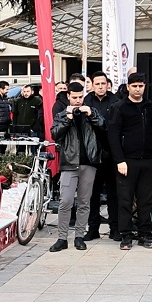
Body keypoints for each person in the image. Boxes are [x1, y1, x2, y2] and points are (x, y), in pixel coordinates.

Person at [49, 81, 103, 253]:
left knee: (84, 202)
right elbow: (55, 134)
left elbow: (104, 127)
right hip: (69, 162)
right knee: (65, 201)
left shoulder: (91, 111)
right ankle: (62, 238)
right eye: (75, 97)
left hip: (89, 162)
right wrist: (68, 118)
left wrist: (91, 114)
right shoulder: (61, 114)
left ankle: (79, 236)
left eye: (80, 97)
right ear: (68, 97)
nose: (78, 101)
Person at [108, 72, 152, 249]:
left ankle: (145, 235)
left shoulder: (151, 106)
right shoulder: (119, 107)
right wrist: (119, 160)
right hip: (127, 161)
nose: (138, 89)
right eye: (134, 86)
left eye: (141, 86)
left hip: (148, 160)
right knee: (125, 200)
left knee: (146, 200)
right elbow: (113, 136)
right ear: (128, 87)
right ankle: (126, 236)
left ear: (145, 86)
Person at [83, 72, 119, 242]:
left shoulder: (115, 101)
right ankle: (93, 228)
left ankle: (115, 228)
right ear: (92, 85)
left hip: (111, 152)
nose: (100, 86)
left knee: (114, 193)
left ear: (108, 84)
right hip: (92, 154)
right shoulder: (86, 101)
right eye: (97, 83)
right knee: (92, 193)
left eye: (103, 83)